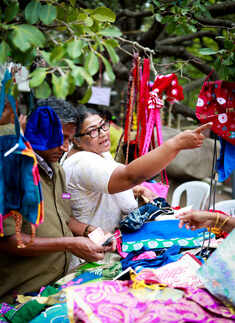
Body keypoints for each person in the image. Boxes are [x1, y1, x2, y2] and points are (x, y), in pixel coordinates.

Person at [0, 105, 113, 304]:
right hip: (21, 295)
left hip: (53, 286)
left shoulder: (56, 170)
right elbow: (9, 241)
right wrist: (70, 244)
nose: (64, 147)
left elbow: (64, 217)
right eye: (58, 138)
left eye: (69, 139)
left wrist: (91, 231)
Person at [63, 106, 212, 233]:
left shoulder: (99, 152)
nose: (102, 133)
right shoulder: (81, 163)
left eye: (103, 126)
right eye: (93, 131)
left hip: (108, 241)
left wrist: (138, 189)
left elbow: (102, 186)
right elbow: (129, 177)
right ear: (76, 140)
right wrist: (175, 144)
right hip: (92, 251)